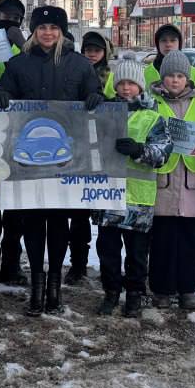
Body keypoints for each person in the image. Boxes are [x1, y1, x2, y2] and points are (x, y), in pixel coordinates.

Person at [0, 5, 102, 315]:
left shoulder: (79, 65)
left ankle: (55, 285)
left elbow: (94, 97)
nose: (48, 33)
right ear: (34, 31)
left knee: (59, 224)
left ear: (61, 31)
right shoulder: (18, 64)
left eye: (54, 28)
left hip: (66, 160)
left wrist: (97, 98)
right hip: (27, 161)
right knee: (32, 223)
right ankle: (37, 286)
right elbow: (5, 92)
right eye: (42, 28)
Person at [97, 60, 172, 318]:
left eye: (131, 83)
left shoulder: (153, 117)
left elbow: (164, 153)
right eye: (121, 83)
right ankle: (110, 293)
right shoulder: (103, 113)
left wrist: (140, 150)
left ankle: (134, 295)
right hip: (106, 195)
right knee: (107, 251)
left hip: (138, 199)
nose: (126, 88)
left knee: (137, 254)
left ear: (139, 85)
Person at [150, 51, 195, 310]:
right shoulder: (152, 103)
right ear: (162, 77)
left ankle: (188, 288)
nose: (175, 81)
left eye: (180, 76)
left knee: (190, 239)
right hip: (163, 179)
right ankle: (161, 289)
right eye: (170, 76)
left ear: (187, 79)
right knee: (162, 239)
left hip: (193, 180)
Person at [63, 30, 116, 286]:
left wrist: (106, 101)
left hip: (107, 151)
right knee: (80, 213)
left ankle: (111, 268)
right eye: (87, 50)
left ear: (105, 52)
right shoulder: (74, 72)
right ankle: (78, 264)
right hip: (80, 148)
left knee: (109, 219)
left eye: (96, 50)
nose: (92, 54)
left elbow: (126, 99)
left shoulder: (113, 75)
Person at [0, 0, 27, 284]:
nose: (10, 22)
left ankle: (11, 263)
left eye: (15, 18)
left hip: (19, 133)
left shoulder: (25, 48)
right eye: (5, 16)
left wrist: (21, 45)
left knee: (17, 211)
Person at [143, 25, 195, 91]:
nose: (168, 44)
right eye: (163, 40)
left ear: (179, 43)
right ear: (158, 44)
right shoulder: (145, 73)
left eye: (173, 40)